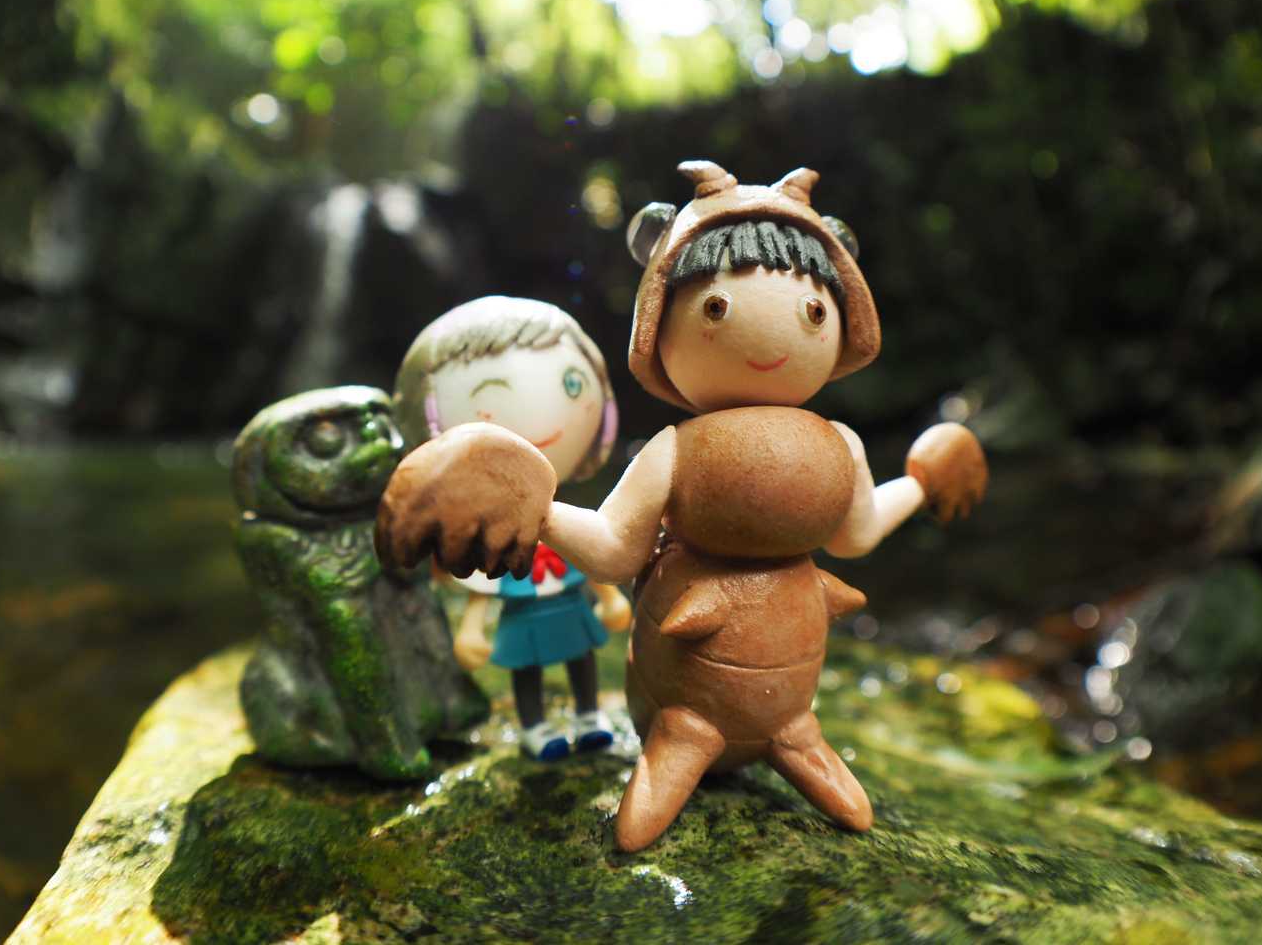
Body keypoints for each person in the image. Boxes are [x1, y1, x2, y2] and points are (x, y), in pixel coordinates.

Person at [378, 163, 986, 849]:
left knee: (815, 762)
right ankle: (681, 747)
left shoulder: (839, 442)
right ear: (659, 327)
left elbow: (857, 532)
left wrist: (923, 483)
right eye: (715, 307)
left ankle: (795, 741)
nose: (776, 331)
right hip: (681, 695)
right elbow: (616, 549)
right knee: (678, 743)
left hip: (794, 694)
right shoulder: (673, 450)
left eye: (815, 311)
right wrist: (534, 508)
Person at [393, 296, 632, 761]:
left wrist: (610, 597)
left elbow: (592, 553)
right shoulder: (492, 531)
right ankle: (535, 725)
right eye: (490, 397)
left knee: (582, 655)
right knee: (527, 667)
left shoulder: (567, 515)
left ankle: (589, 715)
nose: (540, 415)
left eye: (570, 384)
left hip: (570, 603)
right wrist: (472, 626)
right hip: (522, 613)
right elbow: (484, 582)